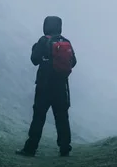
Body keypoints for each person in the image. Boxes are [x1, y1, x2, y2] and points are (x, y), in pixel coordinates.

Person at [16, 16, 77, 157]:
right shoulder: (66, 42)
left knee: (39, 116)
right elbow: (73, 62)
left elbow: (34, 60)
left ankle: (30, 148)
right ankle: (65, 148)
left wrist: (36, 50)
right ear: (59, 26)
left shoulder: (43, 41)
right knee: (62, 117)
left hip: (44, 85)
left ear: (46, 26)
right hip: (62, 86)